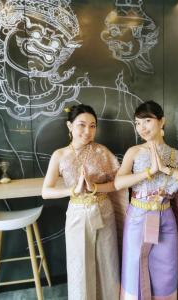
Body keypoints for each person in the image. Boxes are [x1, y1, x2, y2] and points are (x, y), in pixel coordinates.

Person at [114, 100, 178, 300]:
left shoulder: (175, 156)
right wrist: (149, 172)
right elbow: (118, 183)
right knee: (134, 269)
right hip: (138, 216)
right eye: (137, 123)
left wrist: (167, 170)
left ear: (162, 121)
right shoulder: (134, 151)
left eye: (147, 121)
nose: (142, 128)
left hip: (165, 219)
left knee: (166, 271)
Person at [42, 104, 128, 300]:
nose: (87, 131)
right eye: (81, 125)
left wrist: (95, 188)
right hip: (77, 213)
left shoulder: (102, 152)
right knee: (79, 265)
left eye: (92, 126)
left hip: (104, 210)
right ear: (69, 126)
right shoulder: (59, 155)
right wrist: (72, 190)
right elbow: (46, 191)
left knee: (108, 262)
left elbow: (118, 184)